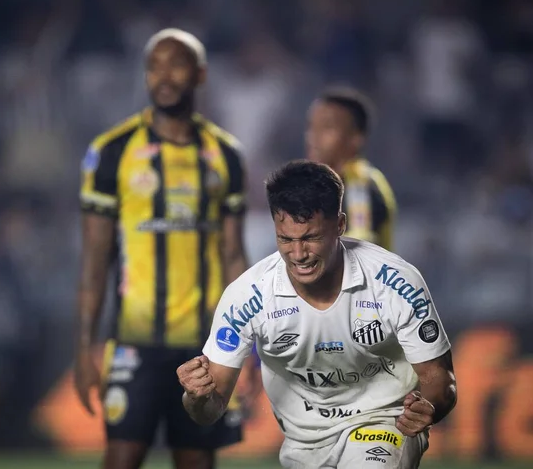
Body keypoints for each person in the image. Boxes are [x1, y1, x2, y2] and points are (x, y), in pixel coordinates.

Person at [178, 161, 457, 469]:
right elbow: (208, 411)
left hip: (384, 422)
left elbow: (440, 379)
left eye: (310, 237)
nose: (298, 254)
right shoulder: (247, 295)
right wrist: (197, 396)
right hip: (302, 445)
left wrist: (429, 406)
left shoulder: (395, 282)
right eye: (286, 239)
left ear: (339, 225)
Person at [76, 29, 249, 469]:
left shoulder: (225, 155)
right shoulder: (113, 152)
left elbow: (234, 255)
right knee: (121, 456)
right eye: (154, 66)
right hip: (135, 342)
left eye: (176, 64)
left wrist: (248, 346)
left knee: (197, 460)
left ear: (201, 74)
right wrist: (84, 349)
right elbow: (95, 260)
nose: (164, 76)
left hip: (205, 347)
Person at [306, 86, 396, 250]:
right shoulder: (325, 183)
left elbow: (360, 240)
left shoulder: (359, 182)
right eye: (312, 126)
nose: (314, 136)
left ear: (356, 138)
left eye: (327, 127)